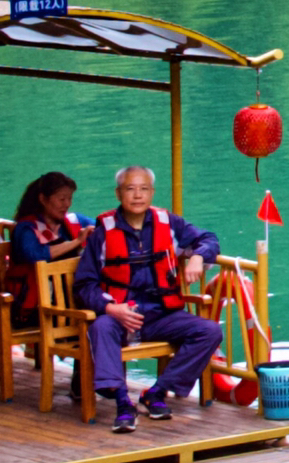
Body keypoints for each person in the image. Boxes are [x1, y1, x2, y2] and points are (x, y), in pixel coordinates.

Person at [76, 164, 223, 434]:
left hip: (161, 315)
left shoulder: (168, 223)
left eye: (144, 189)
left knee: (209, 331)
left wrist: (199, 257)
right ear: (118, 194)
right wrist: (111, 308)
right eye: (130, 189)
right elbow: (85, 285)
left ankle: (157, 392)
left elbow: (208, 239)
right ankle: (122, 403)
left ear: (152, 192)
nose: (137, 195)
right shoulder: (102, 232)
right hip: (121, 316)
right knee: (99, 326)